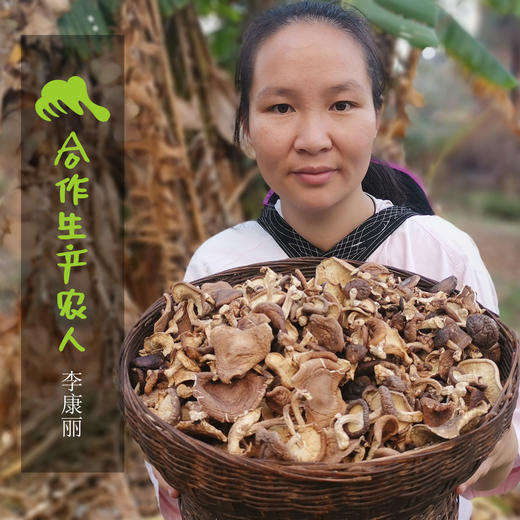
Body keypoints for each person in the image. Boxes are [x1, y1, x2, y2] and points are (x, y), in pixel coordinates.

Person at [144, 2, 520, 518]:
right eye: (280, 108)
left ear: (377, 116)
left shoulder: (441, 252)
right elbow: (181, 445)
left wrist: (491, 447)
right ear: (246, 128)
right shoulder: (219, 264)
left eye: (342, 105)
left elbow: (499, 442)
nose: (314, 138)